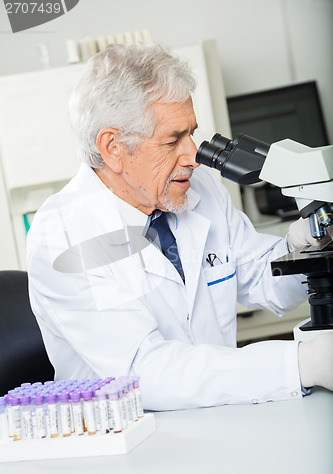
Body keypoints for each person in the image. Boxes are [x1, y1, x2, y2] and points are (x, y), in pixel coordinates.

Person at [26, 41, 333, 410]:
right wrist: (302, 363)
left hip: (220, 419)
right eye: (173, 140)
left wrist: (306, 247)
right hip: (130, 442)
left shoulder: (197, 189)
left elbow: (260, 279)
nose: (193, 156)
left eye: (191, 133)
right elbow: (145, 373)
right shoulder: (66, 233)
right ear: (113, 148)